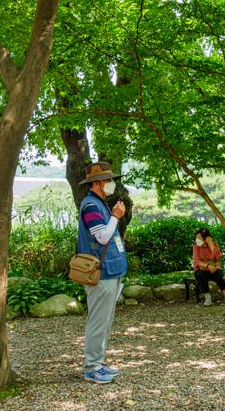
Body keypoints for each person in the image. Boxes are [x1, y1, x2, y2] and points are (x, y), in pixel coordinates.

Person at [77, 162, 128, 384]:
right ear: (97, 182)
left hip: (110, 271)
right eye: (108, 180)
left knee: (105, 321)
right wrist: (116, 215)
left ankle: (98, 362)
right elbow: (102, 237)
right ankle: (92, 368)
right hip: (101, 273)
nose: (111, 184)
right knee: (98, 321)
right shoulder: (90, 206)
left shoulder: (100, 204)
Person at [192, 229, 225, 306]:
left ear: (205, 238)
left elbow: (218, 257)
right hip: (201, 269)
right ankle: (208, 298)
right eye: (196, 238)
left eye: (199, 238)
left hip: (213, 269)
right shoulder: (195, 247)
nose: (197, 240)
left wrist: (211, 244)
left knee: (219, 275)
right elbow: (196, 261)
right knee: (201, 275)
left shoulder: (214, 244)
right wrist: (208, 266)